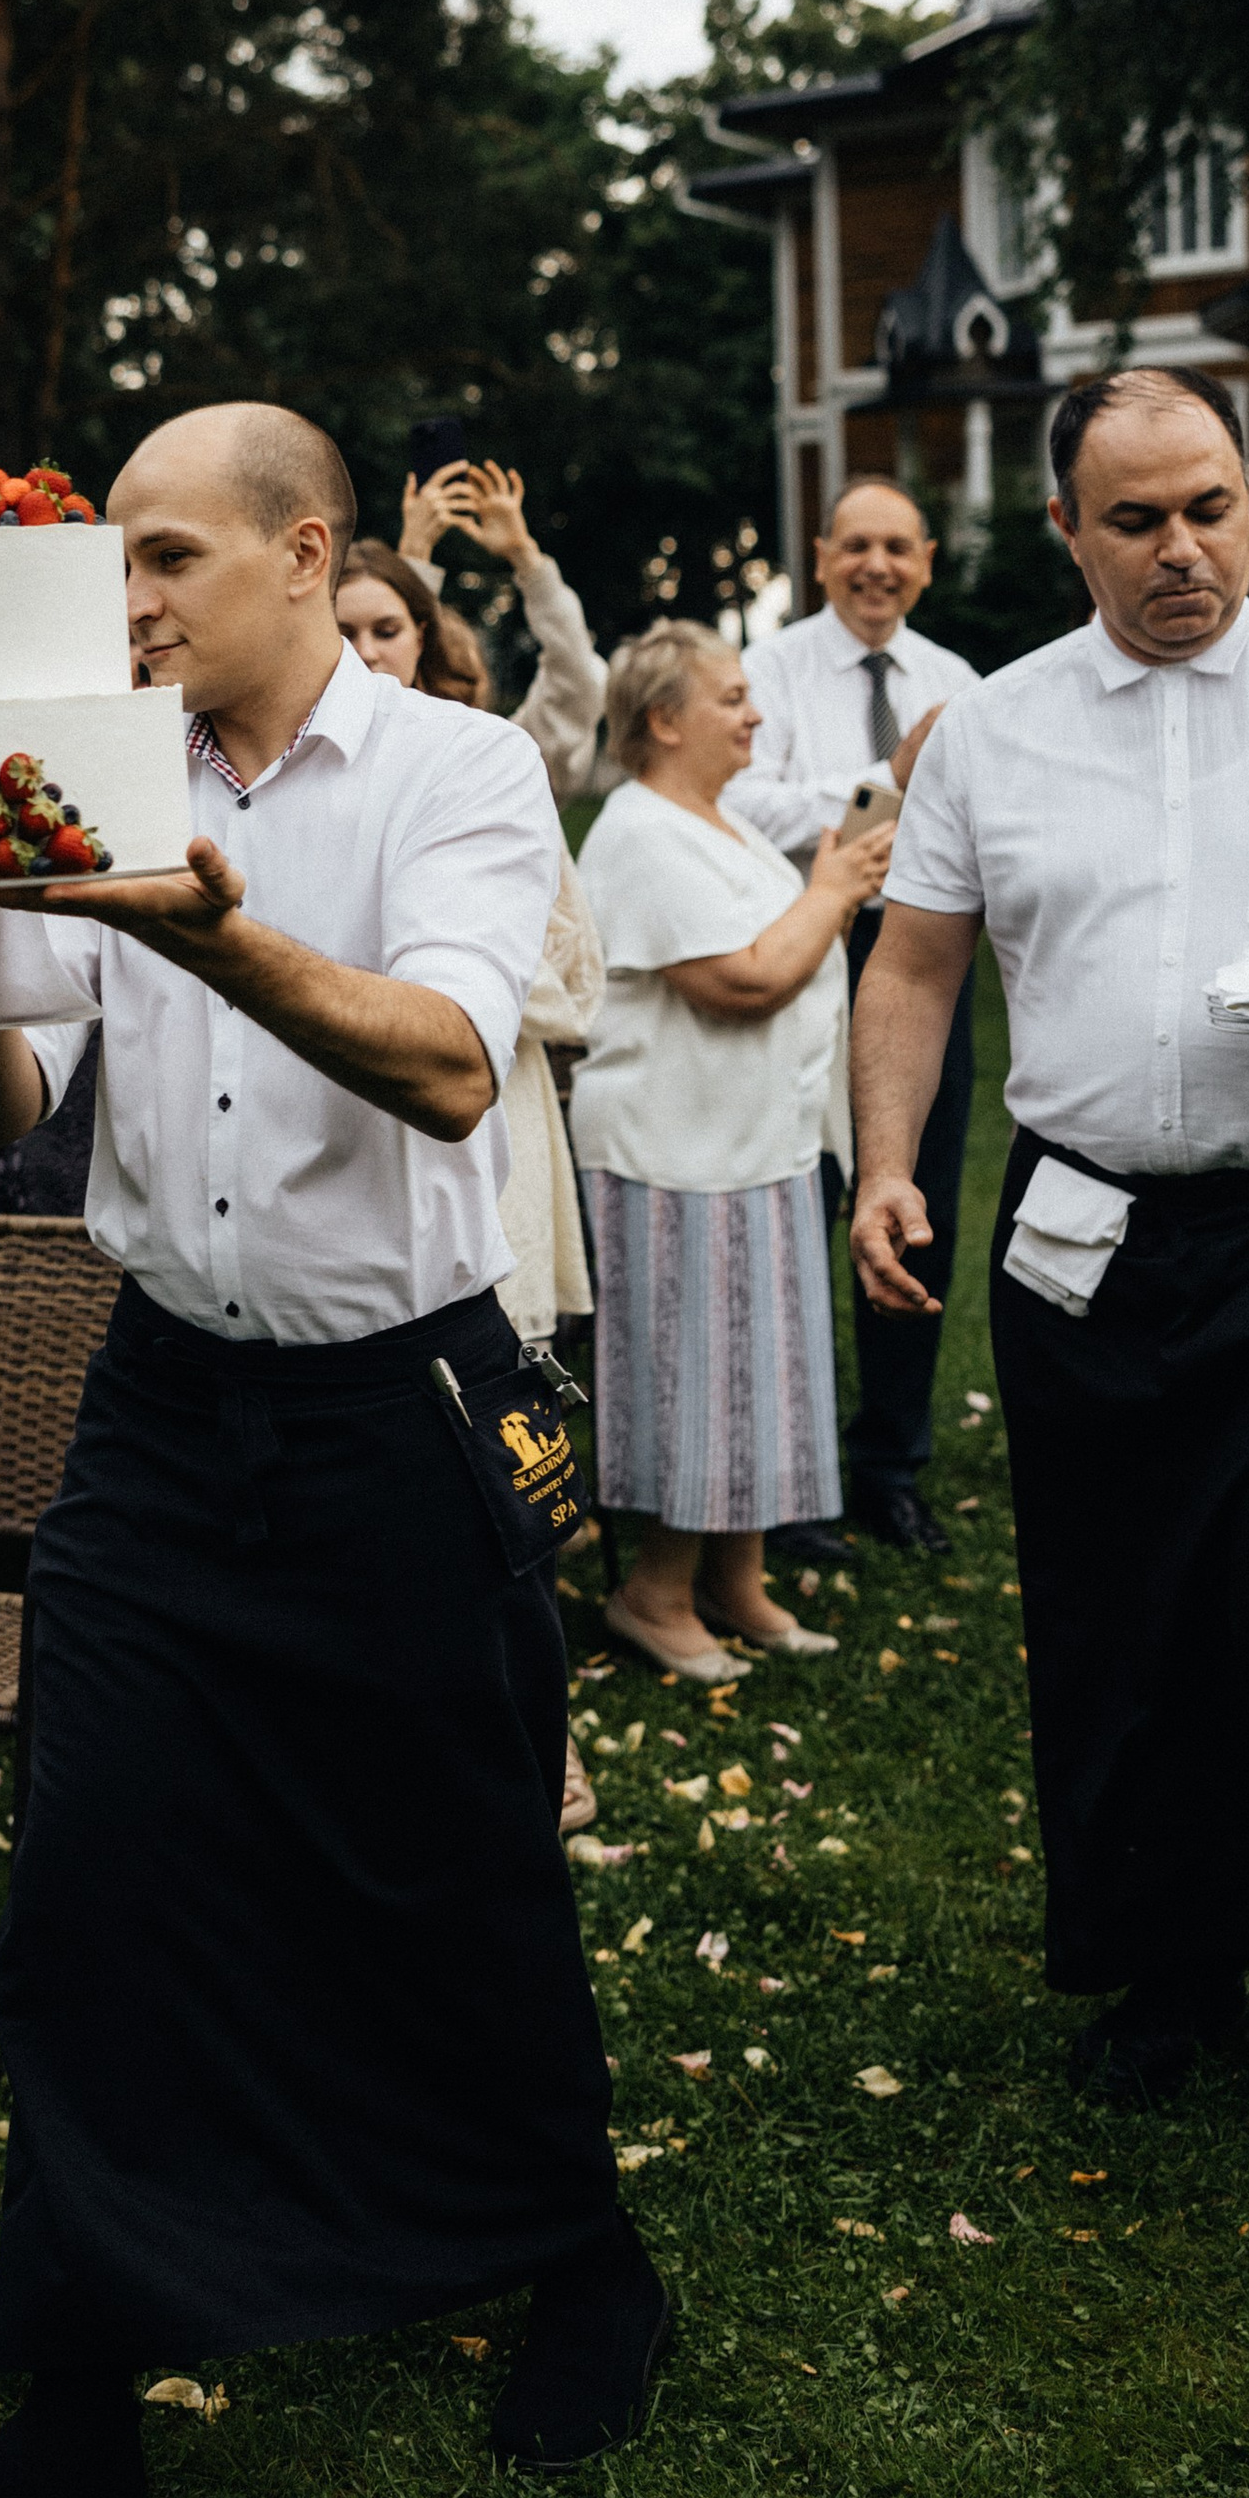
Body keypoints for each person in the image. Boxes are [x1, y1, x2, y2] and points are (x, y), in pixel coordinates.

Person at [0, 403, 662, 2498]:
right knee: (91, 1881)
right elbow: (6, 1098)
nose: (129, 601)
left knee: (453, 1866)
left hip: (400, 1406)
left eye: (167, 557)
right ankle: (76, 2411)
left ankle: (576, 2257)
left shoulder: (458, 773)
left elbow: (449, 1062)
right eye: (115, 562)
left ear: (304, 552)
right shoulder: (100, 768)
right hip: (160, 1411)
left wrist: (199, 933)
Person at [856, 366, 1249, 2122]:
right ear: (1066, 528)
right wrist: (883, 1165)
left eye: (1210, 509)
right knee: (1122, 1612)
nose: (1182, 550)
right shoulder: (992, 732)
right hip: (1084, 1235)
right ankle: (1167, 1967)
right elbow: (914, 966)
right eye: (1136, 520)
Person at [338, 532, 603, 1830]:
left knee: (497, 1429)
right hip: (356, 1157)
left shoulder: (484, 763)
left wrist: (453, 991)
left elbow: (577, 977)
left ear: (425, 639)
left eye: (385, 629)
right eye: (344, 631)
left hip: (495, 1124)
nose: (364, 652)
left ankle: (542, 1727)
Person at [571, 621, 887, 1684]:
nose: (756, 715)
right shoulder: (638, 832)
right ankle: (653, 1594)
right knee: (696, 1378)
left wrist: (826, 886)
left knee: (763, 1369)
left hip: (761, 1145)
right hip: (676, 1154)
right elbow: (741, 982)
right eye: (733, 698)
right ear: (665, 720)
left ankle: (736, 1582)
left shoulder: (724, 821)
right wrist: (834, 892)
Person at [725, 480, 979, 1560]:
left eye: (898, 548)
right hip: (802, 948)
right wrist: (888, 777)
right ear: (822, 554)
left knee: (920, 1206)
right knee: (799, 1204)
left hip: (927, 957)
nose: (877, 566)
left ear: (926, 561)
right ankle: (790, 1478)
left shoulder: (957, 682)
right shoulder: (769, 672)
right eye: (856, 546)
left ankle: (889, 1463)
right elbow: (743, 804)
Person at [397, 458, 607, 795]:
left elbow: (578, 680)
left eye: (457, 671)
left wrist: (525, 554)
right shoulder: (387, 758)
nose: (446, 682)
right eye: (435, 668)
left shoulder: (510, 758)